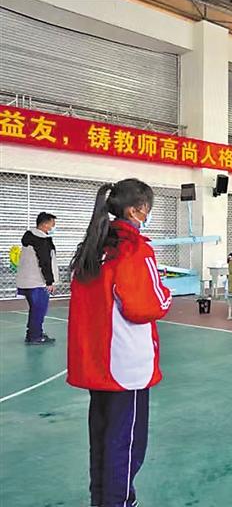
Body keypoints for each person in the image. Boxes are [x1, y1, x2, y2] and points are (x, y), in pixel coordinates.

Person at [67, 179, 172, 507]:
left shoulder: (93, 248)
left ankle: (102, 499)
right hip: (126, 365)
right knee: (126, 444)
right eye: (147, 209)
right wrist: (165, 293)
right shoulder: (134, 249)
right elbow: (146, 306)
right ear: (137, 210)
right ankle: (119, 501)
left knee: (102, 439)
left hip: (96, 360)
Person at [16, 212, 59, 345]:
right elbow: (45, 262)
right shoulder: (41, 241)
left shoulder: (30, 238)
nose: (54, 227)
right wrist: (49, 282)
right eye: (52, 224)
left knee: (34, 310)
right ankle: (35, 336)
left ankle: (33, 333)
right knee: (39, 310)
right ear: (45, 224)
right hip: (37, 282)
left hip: (26, 281)